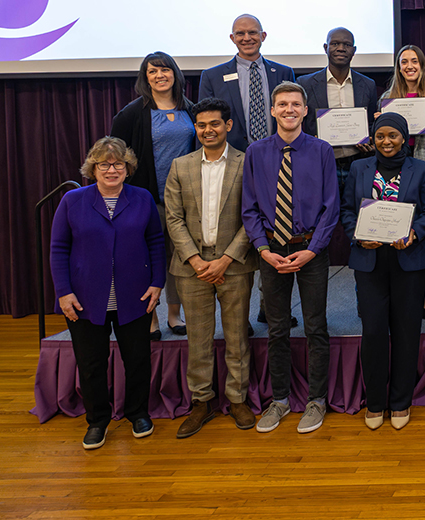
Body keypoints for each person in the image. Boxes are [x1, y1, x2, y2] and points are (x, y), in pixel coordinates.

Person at [50, 137, 164, 450]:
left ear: (127, 168)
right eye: (104, 164)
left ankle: (138, 413)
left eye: (117, 164)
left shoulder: (141, 198)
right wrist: (63, 292)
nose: (111, 170)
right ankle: (97, 420)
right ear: (93, 168)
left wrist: (157, 283)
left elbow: (156, 242)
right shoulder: (73, 201)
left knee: (138, 359)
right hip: (85, 299)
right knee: (91, 363)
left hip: (135, 296)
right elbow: (59, 248)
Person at [242, 81, 339, 434]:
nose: (289, 110)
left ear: (304, 110)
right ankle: (279, 399)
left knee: (316, 327)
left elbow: (332, 206)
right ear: (272, 110)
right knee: (277, 328)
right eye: (282, 104)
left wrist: (312, 250)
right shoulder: (255, 152)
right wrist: (263, 250)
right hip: (272, 252)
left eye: (295, 104)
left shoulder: (322, 150)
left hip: (311, 249)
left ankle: (316, 400)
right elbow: (249, 208)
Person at [163, 98, 258, 437]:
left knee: (236, 338)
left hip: (233, 266)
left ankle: (237, 399)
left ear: (228, 125)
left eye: (214, 124)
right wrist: (195, 259)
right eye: (201, 125)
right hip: (192, 269)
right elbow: (173, 218)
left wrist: (226, 259)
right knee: (198, 339)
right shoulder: (180, 166)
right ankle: (202, 401)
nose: (207, 130)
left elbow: (253, 216)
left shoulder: (247, 164)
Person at [343, 113, 425, 430]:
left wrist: (414, 233)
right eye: (381, 136)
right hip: (369, 262)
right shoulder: (359, 168)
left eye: (393, 136)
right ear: (373, 138)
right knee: (372, 331)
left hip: (408, 260)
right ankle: (375, 402)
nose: (387, 141)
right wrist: (357, 234)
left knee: (406, 331)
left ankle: (400, 401)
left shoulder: (421, 169)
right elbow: (346, 211)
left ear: (405, 138)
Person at [110, 51, 194, 339]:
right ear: (145, 78)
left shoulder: (190, 109)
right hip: (146, 199)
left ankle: (174, 314)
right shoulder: (133, 112)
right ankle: (151, 316)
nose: (160, 75)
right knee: (148, 257)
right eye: (152, 71)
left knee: (178, 258)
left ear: (175, 74)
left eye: (165, 70)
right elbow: (115, 153)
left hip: (184, 200)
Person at [381, 44, 425, 317]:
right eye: (404, 62)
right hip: (395, 175)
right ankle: (399, 292)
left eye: (414, 61)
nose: (409, 66)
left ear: (422, 65)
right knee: (397, 232)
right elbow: (383, 141)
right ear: (398, 67)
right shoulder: (386, 99)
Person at [297, 27, 378, 195]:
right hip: (320, 163)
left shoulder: (368, 85)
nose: (341, 48)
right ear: (326, 48)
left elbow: (371, 122)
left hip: (358, 163)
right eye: (335, 43)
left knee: (354, 215)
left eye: (347, 44)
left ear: (354, 51)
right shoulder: (305, 84)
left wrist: (370, 140)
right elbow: (298, 123)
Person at [198, 14, 296, 153]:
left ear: (263, 36)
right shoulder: (212, 77)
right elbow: (204, 121)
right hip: (231, 157)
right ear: (232, 38)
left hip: (278, 154)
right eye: (240, 33)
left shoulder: (284, 73)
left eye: (252, 32)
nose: (247, 38)